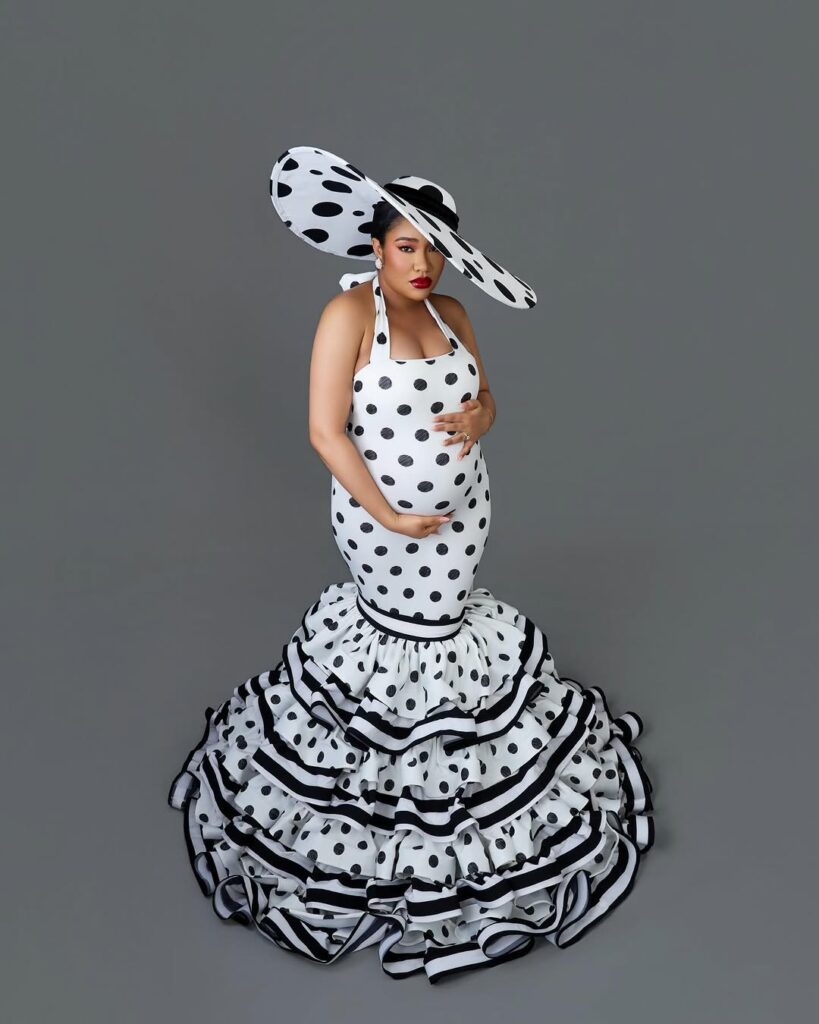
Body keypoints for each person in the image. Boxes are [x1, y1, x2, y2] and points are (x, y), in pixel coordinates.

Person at [167, 145, 656, 984]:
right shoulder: (347, 317)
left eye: (435, 248)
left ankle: (455, 778)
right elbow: (326, 432)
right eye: (405, 246)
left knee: (453, 635)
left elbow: (486, 398)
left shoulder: (454, 312)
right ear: (376, 246)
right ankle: (402, 814)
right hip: (383, 528)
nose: (421, 263)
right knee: (406, 644)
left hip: (464, 522)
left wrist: (481, 420)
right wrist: (388, 514)